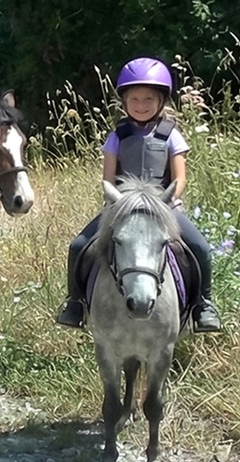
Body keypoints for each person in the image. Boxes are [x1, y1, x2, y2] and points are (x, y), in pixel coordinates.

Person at [55, 57, 223, 332]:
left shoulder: (171, 135)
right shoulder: (117, 136)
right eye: (134, 99)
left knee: (200, 248)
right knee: (78, 246)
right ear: (124, 102)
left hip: (163, 208)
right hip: (121, 207)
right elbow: (108, 179)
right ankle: (75, 303)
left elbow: (180, 177)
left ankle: (203, 305)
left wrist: (166, 200)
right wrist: (117, 203)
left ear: (161, 101)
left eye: (148, 99)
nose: (141, 105)